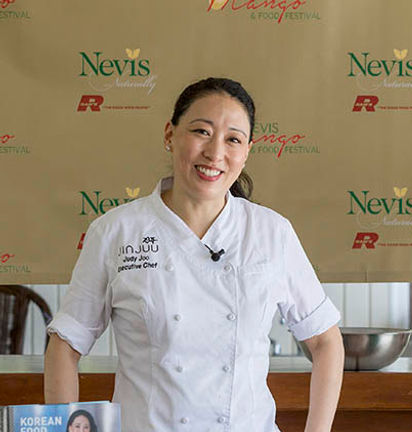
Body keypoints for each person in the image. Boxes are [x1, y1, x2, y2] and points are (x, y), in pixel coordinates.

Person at [44, 77, 344, 432]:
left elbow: (325, 340)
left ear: (246, 151)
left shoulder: (270, 233)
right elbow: (64, 345)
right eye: (201, 131)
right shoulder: (116, 232)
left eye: (233, 139)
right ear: (170, 135)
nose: (215, 153)